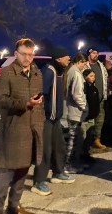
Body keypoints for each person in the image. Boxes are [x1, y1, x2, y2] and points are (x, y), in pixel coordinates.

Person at [0, 38, 44, 214]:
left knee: (22, 172)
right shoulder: (6, 73)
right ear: (16, 54)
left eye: (31, 54)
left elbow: (38, 102)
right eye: (24, 54)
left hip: (32, 130)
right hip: (14, 130)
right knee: (6, 173)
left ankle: (13, 207)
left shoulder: (37, 73)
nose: (28, 58)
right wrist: (25, 103)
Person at [31, 46, 75, 197]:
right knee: (45, 150)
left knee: (59, 147)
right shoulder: (49, 71)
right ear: (58, 58)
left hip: (55, 119)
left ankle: (58, 173)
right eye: (66, 56)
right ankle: (38, 182)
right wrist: (43, 112)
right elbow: (40, 92)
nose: (69, 58)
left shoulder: (59, 71)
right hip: (46, 118)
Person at [64, 52, 88, 174]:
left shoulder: (70, 71)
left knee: (70, 139)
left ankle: (68, 164)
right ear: (80, 62)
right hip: (74, 111)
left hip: (69, 110)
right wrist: (84, 106)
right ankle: (68, 165)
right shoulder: (76, 74)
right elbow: (77, 94)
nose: (85, 66)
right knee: (72, 140)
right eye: (84, 63)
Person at [84, 48, 108, 150]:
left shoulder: (100, 65)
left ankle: (96, 139)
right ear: (89, 54)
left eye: (97, 53)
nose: (96, 55)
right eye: (94, 53)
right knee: (89, 121)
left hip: (100, 98)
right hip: (89, 99)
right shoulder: (85, 66)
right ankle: (87, 141)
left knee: (100, 120)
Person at [80, 69, 100, 167]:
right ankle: (80, 156)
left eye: (94, 76)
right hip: (84, 118)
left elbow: (96, 102)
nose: (93, 78)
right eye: (91, 76)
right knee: (82, 137)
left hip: (92, 117)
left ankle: (86, 154)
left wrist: (96, 113)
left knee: (88, 137)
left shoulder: (94, 89)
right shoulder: (83, 88)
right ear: (85, 76)